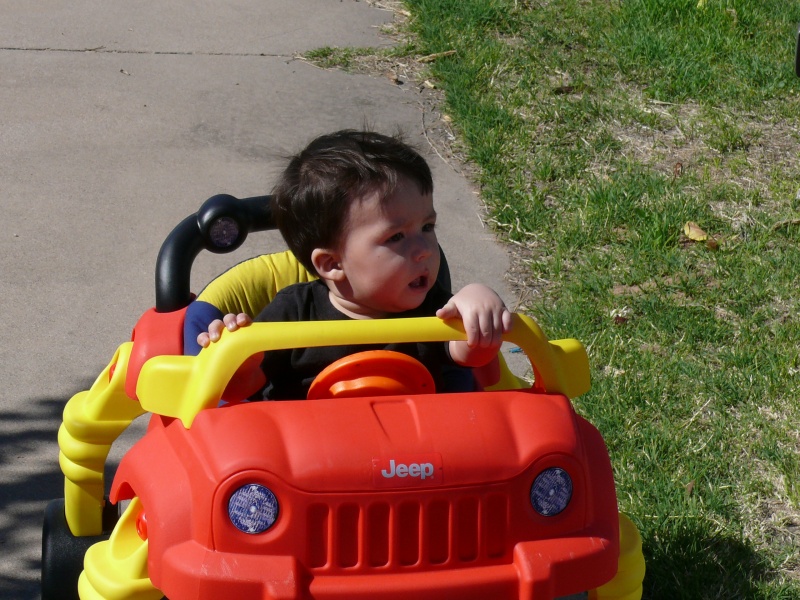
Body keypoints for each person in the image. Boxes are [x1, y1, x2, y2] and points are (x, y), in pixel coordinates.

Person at [198, 129, 512, 399]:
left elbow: (472, 357)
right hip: (305, 461)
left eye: (427, 228)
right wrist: (237, 361)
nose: (425, 251)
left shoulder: (436, 311)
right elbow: (239, 392)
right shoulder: (292, 314)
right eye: (397, 236)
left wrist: (480, 308)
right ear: (332, 264)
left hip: (412, 462)